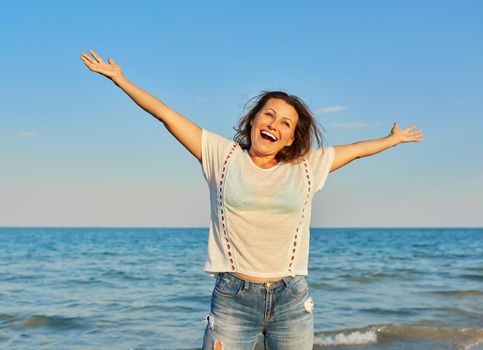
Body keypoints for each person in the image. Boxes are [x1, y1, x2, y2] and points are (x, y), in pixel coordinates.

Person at [80, 49, 423, 350]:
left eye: (286, 123)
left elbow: (358, 151)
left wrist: (391, 140)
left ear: (290, 138)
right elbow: (166, 115)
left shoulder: (308, 167)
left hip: (292, 299)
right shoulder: (221, 155)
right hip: (234, 297)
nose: (275, 124)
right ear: (253, 119)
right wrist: (120, 80)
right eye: (269, 114)